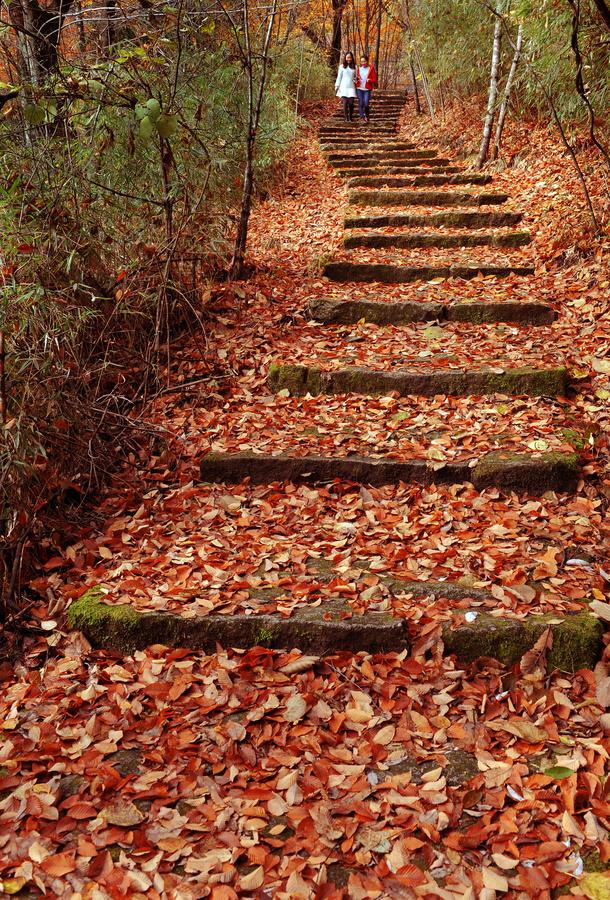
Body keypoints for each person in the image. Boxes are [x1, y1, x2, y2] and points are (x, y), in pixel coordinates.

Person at [355, 54, 378, 123]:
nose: (363, 63)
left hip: (367, 89)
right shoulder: (358, 69)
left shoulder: (371, 68)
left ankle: (367, 116)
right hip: (359, 88)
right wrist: (356, 79)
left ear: (367, 61)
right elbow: (355, 78)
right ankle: (362, 117)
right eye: (362, 61)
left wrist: (370, 80)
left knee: (366, 103)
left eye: (364, 61)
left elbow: (375, 80)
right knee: (361, 103)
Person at [335, 51, 357, 122]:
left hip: (351, 87)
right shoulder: (341, 66)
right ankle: (346, 118)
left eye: (350, 57)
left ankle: (350, 117)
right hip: (343, 87)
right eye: (347, 57)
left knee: (351, 103)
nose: (349, 59)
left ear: (352, 58)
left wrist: (356, 80)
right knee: (345, 103)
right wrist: (337, 85)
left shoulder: (355, 66)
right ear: (345, 58)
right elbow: (339, 76)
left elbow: (356, 77)